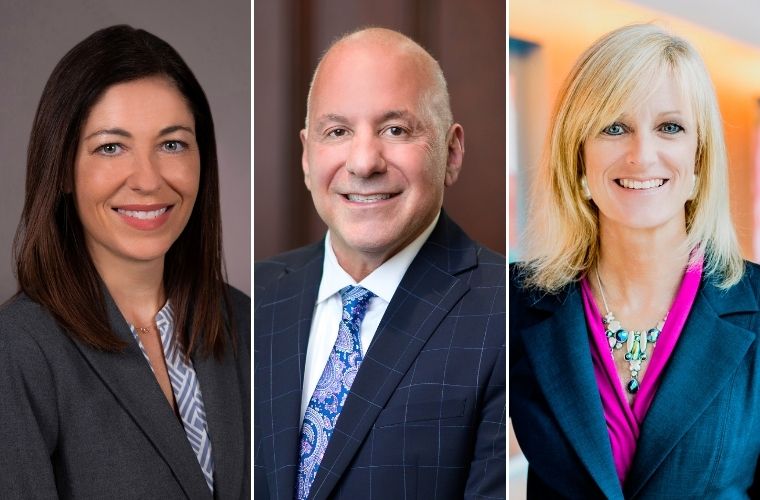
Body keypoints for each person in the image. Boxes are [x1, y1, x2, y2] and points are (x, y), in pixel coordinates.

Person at [254, 27, 505, 499]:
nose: (364, 161)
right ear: (307, 156)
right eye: (338, 132)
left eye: (395, 129)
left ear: (451, 153)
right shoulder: (252, 300)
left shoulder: (505, 314)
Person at [510, 23, 760, 498]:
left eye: (670, 127)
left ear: (699, 160)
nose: (642, 155)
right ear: (578, 158)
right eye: (614, 127)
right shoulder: (513, 301)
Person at [0, 25, 249, 498]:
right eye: (111, 147)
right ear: (64, 170)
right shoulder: (17, 353)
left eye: (172, 143)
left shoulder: (248, 325)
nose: (148, 179)